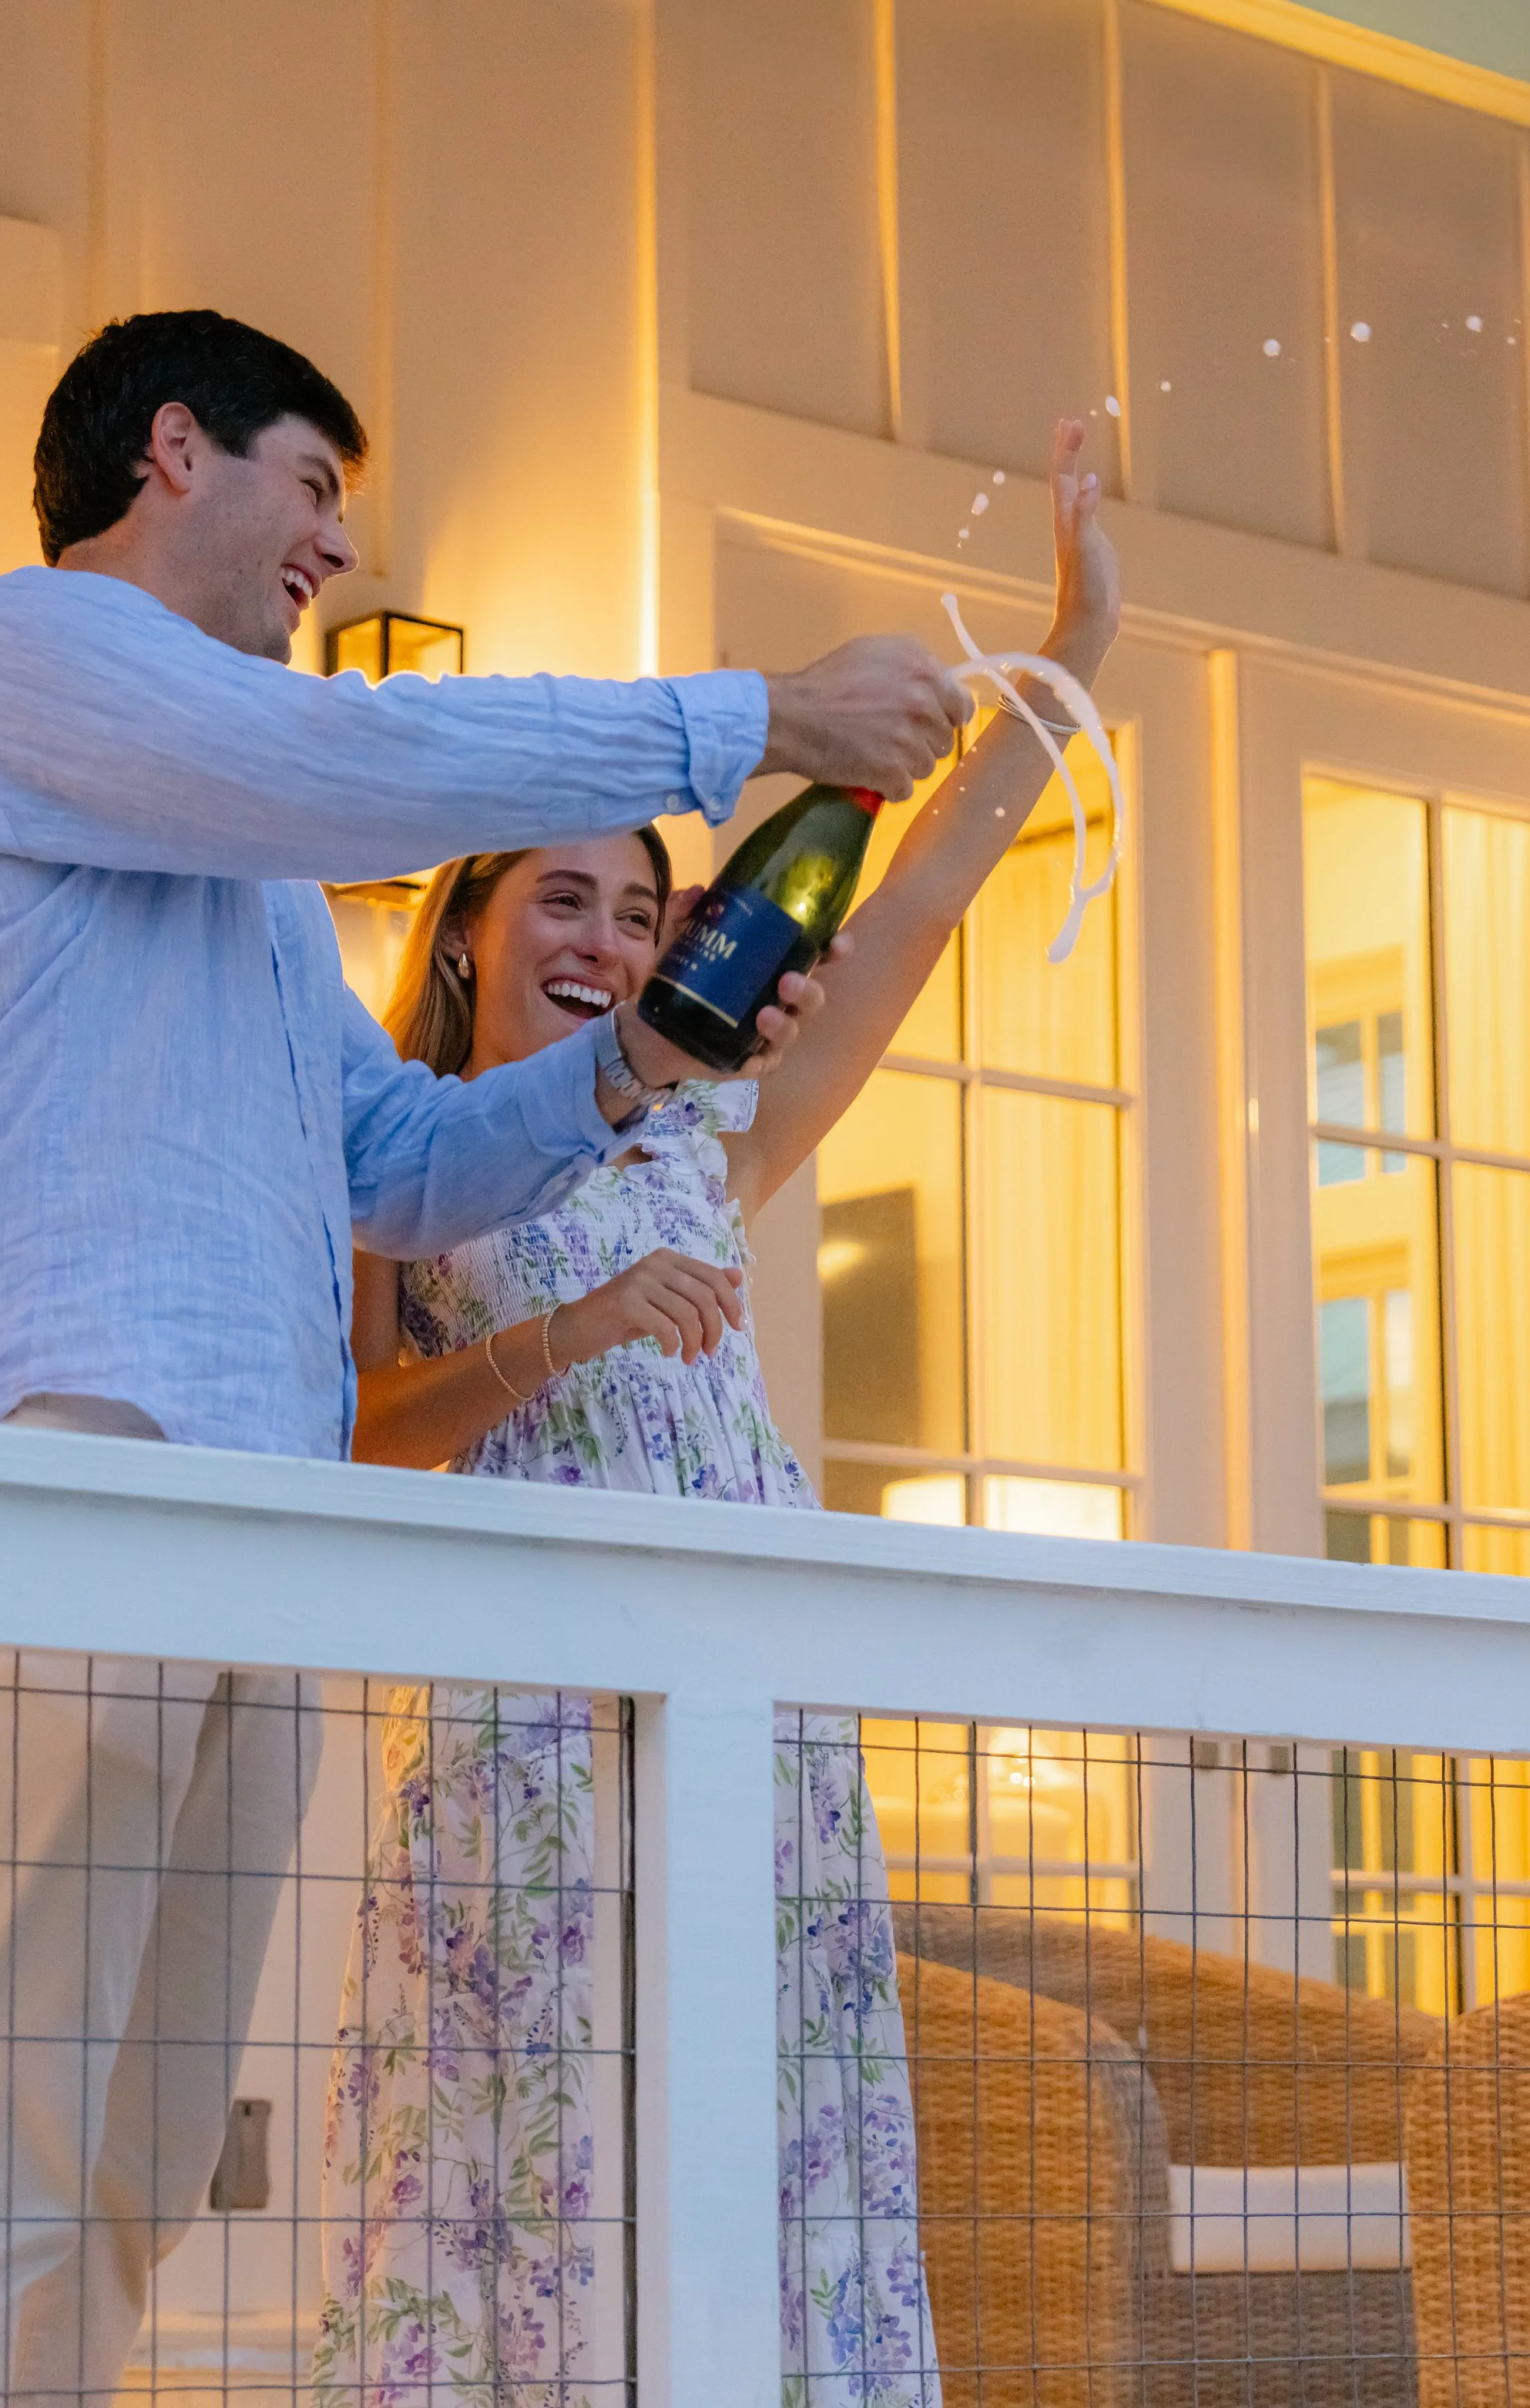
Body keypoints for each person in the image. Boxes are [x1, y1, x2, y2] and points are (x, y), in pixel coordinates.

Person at [0, 305, 973, 2407]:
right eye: (315, 484)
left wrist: (635, 1054)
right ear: (173, 451)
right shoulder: (16, 653)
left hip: (265, 1531)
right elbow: (340, 766)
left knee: (139, 2157)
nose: (333, 545)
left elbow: (410, 1166)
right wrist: (759, 711)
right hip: (70, 1467)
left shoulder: (254, 902)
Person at [316, 418, 1120, 2406]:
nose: (605, 943)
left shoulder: (712, 1127)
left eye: (640, 910)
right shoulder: (400, 1156)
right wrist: (569, 1332)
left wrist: (1072, 645)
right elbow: (365, 1432)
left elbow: (921, 900)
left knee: (745, 2179)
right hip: (513, 1745)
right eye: (562, 902)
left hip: (743, 1733)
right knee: (527, 2186)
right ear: (474, 925)